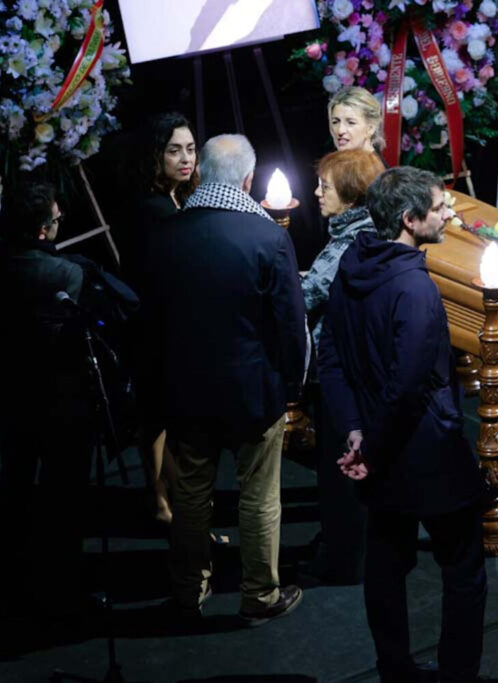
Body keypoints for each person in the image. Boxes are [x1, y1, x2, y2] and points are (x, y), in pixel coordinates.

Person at [318, 166, 487, 682]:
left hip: (375, 445)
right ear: (411, 220)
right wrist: (371, 447)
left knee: (387, 563)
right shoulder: (415, 289)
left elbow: (331, 356)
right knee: (463, 569)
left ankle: (395, 668)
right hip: (423, 452)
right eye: (439, 208)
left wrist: (353, 430)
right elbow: (409, 385)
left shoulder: (350, 262)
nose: (450, 213)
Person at [144, 134, 307, 624]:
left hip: (186, 391)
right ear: (248, 180)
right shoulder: (268, 238)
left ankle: (187, 590)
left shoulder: (166, 235)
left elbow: (150, 321)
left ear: (199, 173)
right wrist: (293, 390)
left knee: (190, 495)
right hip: (254, 393)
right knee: (259, 495)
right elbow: (289, 326)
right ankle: (260, 595)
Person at [0, 180, 94, 614]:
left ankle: (6, 570)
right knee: (62, 491)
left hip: (5, 389)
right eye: (56, 221)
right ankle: (58, 582)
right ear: (42, 230)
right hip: (56, 398)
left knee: (15, 479)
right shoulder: (66, 274)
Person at [301, 148, 384, 585]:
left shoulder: (349, 243)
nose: (316, 193)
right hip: (358, 370)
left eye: (325, 187)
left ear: (350, 198)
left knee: (340, 472)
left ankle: (343, 561)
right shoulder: (361, 232)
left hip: (341, 372)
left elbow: (307, 295)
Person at [127, 112, 200, 526]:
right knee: (156, 418)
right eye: (174, 151)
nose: (185, 158)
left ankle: (168, 502)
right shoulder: (153, 208)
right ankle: (164, 503)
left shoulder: (176, 199)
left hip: (165, 323)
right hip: (153, 326)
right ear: (156, 156)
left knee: (159, 419)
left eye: (190, 149)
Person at [327, 86, 384, 156]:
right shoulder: (342, 163)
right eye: (335, 122)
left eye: (351, 122)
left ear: (370, 128)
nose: (340, 130)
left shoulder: (376, 166)